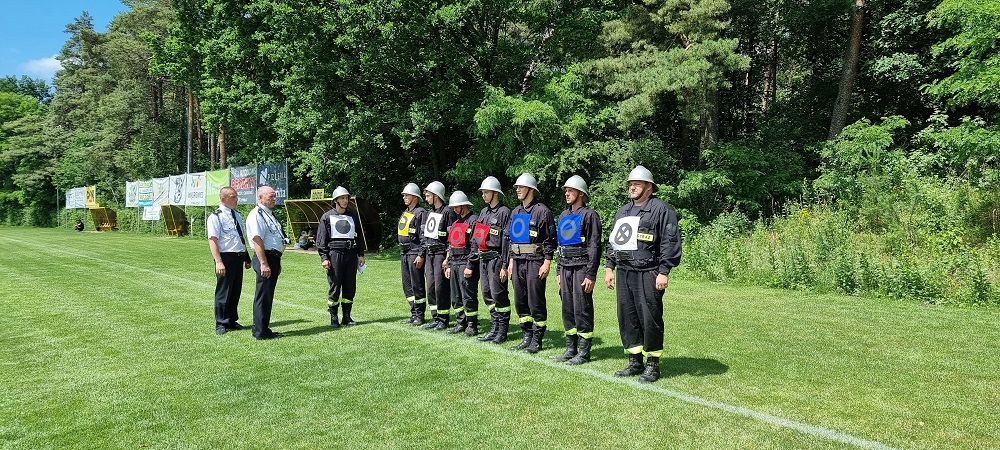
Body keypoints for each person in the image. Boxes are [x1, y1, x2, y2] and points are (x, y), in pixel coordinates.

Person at [605, 165, 682, 382]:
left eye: (637, 184)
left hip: (648, 272)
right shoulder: (623, 211)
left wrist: (664, 271)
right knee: (627, 317)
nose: (632, 187)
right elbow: (613, 241)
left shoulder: (662, 209)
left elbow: (670, 242)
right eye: (630, 184)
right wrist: (609, 267)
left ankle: (652, 365)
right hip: (624, 272)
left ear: (649, 187)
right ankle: (635, 361)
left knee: (650, 318)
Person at [506, 173, 556, 353]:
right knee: (520, 300)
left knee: (536, 300)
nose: (517, 190)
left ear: (531, 189)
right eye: (517, 187)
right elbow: (511, 239)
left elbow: (550, 240)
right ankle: (526, 336)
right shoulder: (515, 212)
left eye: (521, 187)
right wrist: (511, 261)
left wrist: (547, 262)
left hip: (535, 261)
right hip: (518, 261)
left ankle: (537, 339)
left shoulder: (542, 211)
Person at [555, 175, 602, 364]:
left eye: (571, 191)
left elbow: (594, 246)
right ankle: (570, 349)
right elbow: (560, 245)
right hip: (565, 267)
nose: (567, 194)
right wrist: (558, 271)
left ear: (581, 193)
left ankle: (584, 352)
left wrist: (591, 274)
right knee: (567, 308)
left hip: (581, 267)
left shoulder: (590, 215)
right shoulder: (563, 216)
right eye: (566, 191)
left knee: (582, 307)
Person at [317, 186, 367, 327]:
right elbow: (321, 239)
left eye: (346, 198)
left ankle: (346, 316)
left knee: (350, 286)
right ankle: (334, 317)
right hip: (335, 254)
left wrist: (360, 254)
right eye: (342, 198)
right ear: (336, 200)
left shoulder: (353, 216)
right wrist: (324, 258)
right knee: (335, 285)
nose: (345, 201)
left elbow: (359, 236)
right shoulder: (327, 217)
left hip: (351, 254)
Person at [207, 186, 252, 335]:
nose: (236, 199)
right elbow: (213, 240)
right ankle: (221, 323)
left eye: (236, 196)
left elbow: (239, 238)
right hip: (225, 257)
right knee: (223, 292)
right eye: (233, 197)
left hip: (238, 256)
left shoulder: (237, 215)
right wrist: (218, 261)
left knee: (235, 291)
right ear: (223, 199)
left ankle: (231, 320)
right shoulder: (216, 216)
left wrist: (246, 257)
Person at [247, 185, 288, 340]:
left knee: (267, 295)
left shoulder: (268, 214)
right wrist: (264, 263)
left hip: (272, 258)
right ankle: (260, 331)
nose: (274, 199)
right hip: (265, 257)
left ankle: (263, 328)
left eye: (274, 196)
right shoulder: (256, 214)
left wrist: (277, 261)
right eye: (271, 196)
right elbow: (257, 239)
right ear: (260, 197)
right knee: (263, 296)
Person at [474, 176, 512, 344]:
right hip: (484, 259)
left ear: (495, 193)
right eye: (482, 193)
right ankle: (494, 327)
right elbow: (477, 236)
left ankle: (502, 331)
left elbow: (506, 241)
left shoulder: (504, 212)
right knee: (487, 294)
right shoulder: (484, 212)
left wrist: (505, 265)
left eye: (486, 192)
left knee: (499, 294)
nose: (483, 195)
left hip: (496, 259)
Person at [421, 181, 458, 331]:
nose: (426, 198)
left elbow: (452, 237)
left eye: (428, 195)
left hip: (440, 254)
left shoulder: (448, 212)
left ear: (436, 195)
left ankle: (443, 319)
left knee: (440, 287)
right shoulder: (430, 212)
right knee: (430, 287)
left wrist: (447, 259)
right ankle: (435, 317)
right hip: (430, 253)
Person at [444, 191, 481, 336]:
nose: (454, 210)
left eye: (456, 207)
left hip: (466, 263)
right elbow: (450, 245)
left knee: (468, 296)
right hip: (454, 263)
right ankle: (461, 323)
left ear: (463, 206)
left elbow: (475, 245)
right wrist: (448, 264)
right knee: (455, 296)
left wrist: (470, 265)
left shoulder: (474, 221)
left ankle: (472, 325)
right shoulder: (455, 223)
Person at [398, 183, 429, 325]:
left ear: (415, 197)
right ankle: (413, 313)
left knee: (417, 285)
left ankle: (420, 315)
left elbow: (423, 236)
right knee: (407, 285)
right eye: (404, 195)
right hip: (404, 252)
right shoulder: (406, 212)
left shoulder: (420, 213)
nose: (404, 197)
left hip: (414, 252)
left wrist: (421, 254)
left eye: (407, 195)